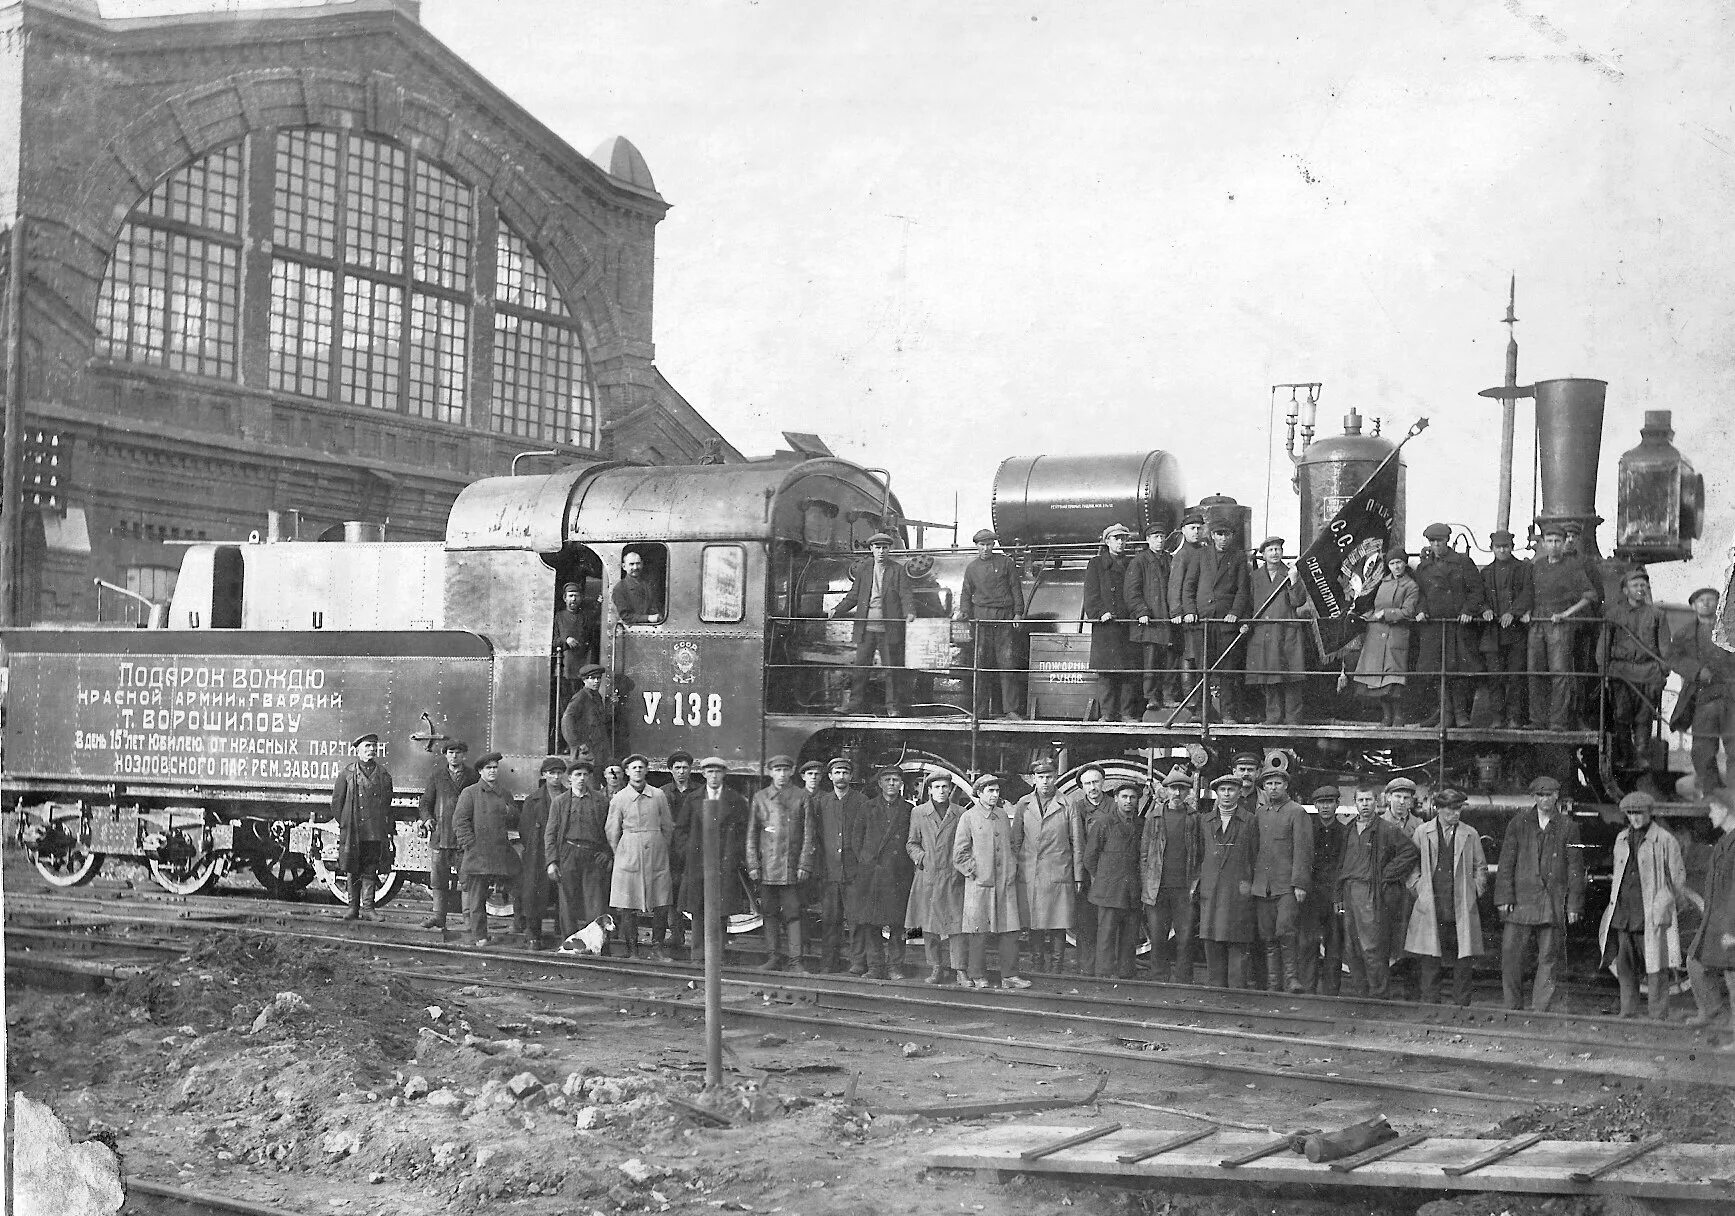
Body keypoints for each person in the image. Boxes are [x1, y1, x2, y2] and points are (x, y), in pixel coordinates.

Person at [1494, 775, 1586, 1011]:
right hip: (1520, 902)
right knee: (1511, 957)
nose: (1545, 800)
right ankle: (1513, 1007)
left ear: (1557, 796)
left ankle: (1540, 1010)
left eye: (1550, 795)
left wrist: (1574, 905)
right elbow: (1506, 863)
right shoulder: (1518, 823)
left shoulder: (1568, 827)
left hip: (1551, 902)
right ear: (1534, 797)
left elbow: (1576, 868)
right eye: (1541, 795)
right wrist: (1504, 898)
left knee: (1549, 959)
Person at [1597, 791, 1690, 1019]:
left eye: (1639, 813)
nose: (1635, 818)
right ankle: (1627, 1012)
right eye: (1630, 814)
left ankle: (1657, 1016)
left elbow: (1678, 878)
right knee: (1625, 966)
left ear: (1650, 813)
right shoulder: (1621, 839)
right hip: (1624, 913)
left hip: (1650, 913)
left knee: (1656, 967)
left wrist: (1665, 901)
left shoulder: (1665, 840)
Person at [1404, 788, 1487, 1006]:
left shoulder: (1470, 834)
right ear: (1439, 809)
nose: (1455, 814)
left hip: (1460, 904)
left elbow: (1481, 867)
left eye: (1458, 809)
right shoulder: (1423, 832)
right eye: (1450, 809)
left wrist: (1475, 891)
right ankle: (1430, 1004)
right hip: (1432, 903)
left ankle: (1461, 1004)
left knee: (1463, 958)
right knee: (1430, 958)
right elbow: (1411, 867)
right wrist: (1419, 889)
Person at [952, 773, 1030, 989]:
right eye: (991, 791)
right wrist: (974, 871)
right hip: (980, 885)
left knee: (1010, 930)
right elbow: (959, 853)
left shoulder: (1003, 816)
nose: (995, 795)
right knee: (978, 932)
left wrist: (1011, 866)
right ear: (979, 793)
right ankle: (977, 975)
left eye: (997, 791)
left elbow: (1012, 845)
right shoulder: (968, 817)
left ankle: (1009, 977)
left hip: (1005, 883)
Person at [830, 532, 917, 716]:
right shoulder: (864, 569)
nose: (881, 551)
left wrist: (910, 612)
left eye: (885, 548)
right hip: (866, 627)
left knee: (891, 669)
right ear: (871, 549)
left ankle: (892, 706)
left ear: (889, 549)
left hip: (888, 627)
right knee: (861, 667)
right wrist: (837, 609)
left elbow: (906, 594)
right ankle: (854, 704)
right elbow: (854, 595)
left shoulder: (897, 570)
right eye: (877, 548)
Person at [1411, 523, 1486, 729]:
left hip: (1458, 626)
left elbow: (1476, 591)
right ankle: (1445, 714)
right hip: (1435, 626)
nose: (1436, 545)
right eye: (1432, 542)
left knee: (1458, 670)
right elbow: (1421, 595)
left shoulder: (1463, 562)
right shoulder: (1423, 567)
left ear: (1447, 541)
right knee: (1437, 670)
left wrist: (1467, 611)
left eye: (1440, 541)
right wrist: (1422, 610)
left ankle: (1461, 715)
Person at [1527, 521, 1600, 731]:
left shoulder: (1573, 567)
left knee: (1559, 673)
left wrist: (1566, 614)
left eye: (1558, 541)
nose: (1554, 545)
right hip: (1537, 623)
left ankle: (1558, 721)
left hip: (1559, 624)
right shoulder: (1537, 566)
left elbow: (1590, 596)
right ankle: (1537, 720)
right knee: (1535, 671)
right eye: (1549, 541)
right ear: (1543, 543)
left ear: (1564, 542)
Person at [746, 755, 816, 971]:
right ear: (770, 772)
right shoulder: (760, 798)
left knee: (794, 914)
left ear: (792, 771)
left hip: (791, 868)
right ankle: (773, 957)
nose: (782, 774)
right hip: (767, 867)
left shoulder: (802, 796)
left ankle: (796, 960)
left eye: (786, 769)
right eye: (777, 769)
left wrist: (804, 864)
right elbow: (751, 834)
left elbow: (809, 834)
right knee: (769, 914)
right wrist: (753, 865)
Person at [848, 765, 918, 979]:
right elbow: (856, 840)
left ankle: (895, 967)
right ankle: (876, 967)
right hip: (873, 874)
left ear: (901, 784)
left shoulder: (908, 809)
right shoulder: (867, 808)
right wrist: (867, 862)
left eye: (895, 780)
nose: (891, 784)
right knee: (871, 924)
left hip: (898, 874)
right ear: (879, 783)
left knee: (898, 924)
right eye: (887, 780)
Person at [1179, 521, 1253, 723]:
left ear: (1231, 536)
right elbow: (1189, 586)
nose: (1223, 538)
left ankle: (1228, 714)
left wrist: (1235, 613)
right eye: (1219, 534)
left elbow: (1242, 590)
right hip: (1203, 622)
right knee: (1203, 669)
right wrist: (1190, 611)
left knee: (1227, 670)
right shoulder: (1200, 555)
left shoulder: (1238, 558)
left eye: (1226, 534)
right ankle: (1203, 712)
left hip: (1226, 622)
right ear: (1212, 535)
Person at [679, 757, 751, 966]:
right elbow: (681, 830)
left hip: (724, 864)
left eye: (717, 772)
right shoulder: (693, 799)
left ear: (724, 774)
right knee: (698, 908)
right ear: (703, 775)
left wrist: (733, 857)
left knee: (720, 910)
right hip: (698, 863)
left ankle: (716, 954)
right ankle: (698, 954)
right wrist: (689, 853)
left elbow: (743, 832)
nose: (713, 776)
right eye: (709, 772)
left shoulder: (735, 800)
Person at [1598, 568, 1669, 774]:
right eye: (1635, 585)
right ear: (1625, 590)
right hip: (1621, 672)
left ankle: (1640, 755)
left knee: (1644, 716)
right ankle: (1624, 755)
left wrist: (1663, 671)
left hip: (1648, 672)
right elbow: (1603, 645)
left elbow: (1665, 648)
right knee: (1621, 714)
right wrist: (1604, 671)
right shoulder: (1613, 615)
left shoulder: (1657, 615)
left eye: (1643, 585)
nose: (1640, 589)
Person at [1250, 765, 1314, 993]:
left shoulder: (1297, 812)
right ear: (1264, 787)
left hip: (1286, 885)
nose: (1273, 788)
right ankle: (1273, 983)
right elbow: (1254, 849)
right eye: (1268, 784)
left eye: (1277, 783)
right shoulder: (1260, 813)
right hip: (1262, 886)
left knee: (1286, 932)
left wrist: (1299, 884)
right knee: (1267, 937)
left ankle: (1291, 980)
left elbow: (1303, 850)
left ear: (1286, 785)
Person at [606, 753, 676, 961]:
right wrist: (622, 852)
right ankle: (632, 951)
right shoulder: (619, 798)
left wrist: (660, 846)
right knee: (628, 903)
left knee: (661, 901)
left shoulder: (658, 796)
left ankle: (657, 948)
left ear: (647, 771)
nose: (637, 770)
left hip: (656, 852)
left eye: (641, 767)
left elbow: (667, 826)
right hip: (629, 853)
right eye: (633, 767)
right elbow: (611, 831)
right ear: (626, 772)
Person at [1016, 758, 1083, 974]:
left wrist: (1078, 875)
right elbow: (1014, 841)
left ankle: (1056, 967)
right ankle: (1037, 964)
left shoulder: (1067, 804)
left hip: (1058, 872)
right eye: (1041, 777)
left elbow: (1077, 842)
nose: (1045, 781)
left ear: (1055, 778)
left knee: (1057, 921)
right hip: (1031, 872)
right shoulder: (1023, 804)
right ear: (1033, 779)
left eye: (1049, 777)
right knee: (1035, 922)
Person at [1668, 587, 1735, 799]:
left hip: (1732, 698)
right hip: (1703, 700)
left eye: (1711, 600)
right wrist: (1697, 671)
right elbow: (1674, 659)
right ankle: (1712, 792)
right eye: (1701, 600)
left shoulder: (1731, 631)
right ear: (1693, 605)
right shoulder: (1684, 634)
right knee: (1703, 750)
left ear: (1719, 604)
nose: (1706, 604)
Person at [543, 754, 613, 945]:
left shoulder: (600, 802)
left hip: (593, 855)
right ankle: (571, 943)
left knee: (595, 903)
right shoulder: (560, 802)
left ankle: (596, 945)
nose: (582, 778)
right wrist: (552, 862)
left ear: (590, 778)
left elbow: (610, 831)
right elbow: (550, 833)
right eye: (578, 774)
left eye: (585, 775)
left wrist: (607, 854)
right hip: (568, 853)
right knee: (568, 903)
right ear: (570, 778)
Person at [906, 772, 968, 984]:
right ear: (929, 790)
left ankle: (960, 969)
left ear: (950, 789)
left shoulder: (960, 813)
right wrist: (923, 858)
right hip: (929, 876)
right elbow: (911, 843)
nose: (941, 791)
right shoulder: (919, 812)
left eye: (945, 787)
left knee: (957, 926)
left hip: (953, 876)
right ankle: (936, 968)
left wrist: (961, 866)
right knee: (930, 927)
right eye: (937, 787)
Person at [958, 528, 1026, 720]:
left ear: (994, 544)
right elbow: (966, 593)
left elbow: (1016, 589)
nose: (985, 548)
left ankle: (1011, 710)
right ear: (977, 546)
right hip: (981, 620)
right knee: (981, 667)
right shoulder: (971, 568)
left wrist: (1018, 614)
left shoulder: (1006, 563)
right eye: (982, 545)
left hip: (1003, 619)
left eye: (988, 544)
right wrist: (964, 612)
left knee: (1007, 664)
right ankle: (979, 711)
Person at [1197, 772, 1257, 988]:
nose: (1226, 794)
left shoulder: (1250, 821)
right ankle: (1216, 992)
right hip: (1211, 891)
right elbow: (1199, 855)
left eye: (1231, 789)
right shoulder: (1205, 821)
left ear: (1240, 793)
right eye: (1222, 790)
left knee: (1238, 941)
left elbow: (1255, 855)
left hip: (1237, 891)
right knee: (1212, 940)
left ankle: (1237, 994)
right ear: (1216, 793)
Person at [1141, 767, 1200, 983]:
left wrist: (1195, 883)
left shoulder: (1194, 818)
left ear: (1187, 793)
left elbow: (1200, 853)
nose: (1177, 793)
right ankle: (1159, 978)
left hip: (1184, 889)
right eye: (1173, 789)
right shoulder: (1154, 817)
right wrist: (1146, 885)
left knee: (1185, 938)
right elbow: (1144, 854)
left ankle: (1184, 979)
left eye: (1182, 789)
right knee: (1158, 937)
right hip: (1158, 888)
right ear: (1165, 791)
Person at [1244, 538, 1312, 726]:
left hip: (1286, 632)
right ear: (1263, 555)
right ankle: (1273, 717)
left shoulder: (1290, 574)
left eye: (1278, 549)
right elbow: (1248, 603)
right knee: (1269, 677)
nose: (1275, 553)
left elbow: (1298, 601)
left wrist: (1294, 580)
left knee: (1291, 676)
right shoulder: (1255, 577)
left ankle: (1293, 718)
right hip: (1263, 632)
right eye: (1271, 550)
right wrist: (1246, 623)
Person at [453, 752, 518, 948]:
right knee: (477, 898)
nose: (492, 771)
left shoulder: (505, 794)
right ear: (481, 771)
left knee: (520, 887)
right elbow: (460, 821)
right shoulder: (470, 793)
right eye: (488, 768)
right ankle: (479, 936)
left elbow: (515, 819)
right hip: (478, 854)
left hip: (500, 852)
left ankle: (519, 927)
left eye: (495, 767)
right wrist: (471, 845)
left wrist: (510, 811)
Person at [1685, 793, 1735, 1049]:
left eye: (1714, 808)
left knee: (1732, 975)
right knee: (1695, 962)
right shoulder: (1725, 841)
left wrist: (1732, 931)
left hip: (1730, 924)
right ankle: (1713, 1012)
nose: (1710, 813)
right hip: (1716, 919)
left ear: (1727, 810)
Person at [811, 756, 868, 972]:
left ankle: (857, 962)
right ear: (830, 776)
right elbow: (815, 835)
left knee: (856, 921)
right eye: (837, 772)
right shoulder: (822, 802)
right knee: (830, 921)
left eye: (845, 772)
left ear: (851, 776)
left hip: (854, 871)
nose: (841, 776)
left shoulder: (861, 801)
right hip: (830, 872)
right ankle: (829, 963)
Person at [332, 732, 395, 922]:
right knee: (352, 868)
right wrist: (345, 824)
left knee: (370, 868)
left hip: (374, 831)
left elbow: (387, 803)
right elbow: (337, 803)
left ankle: (368, 908)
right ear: (358, 749)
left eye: (373, 746)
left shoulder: (383, 775)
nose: (371, 750)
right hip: (354, 831)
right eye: (367, 746)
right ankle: (353, 908)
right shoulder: (347, 774)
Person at [1084, 779, 1143, 979]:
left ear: (1137, 801)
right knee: (1106, 935)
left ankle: (1126, 974)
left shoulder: (1141, 825)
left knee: (1130, 936)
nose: (1128, 801)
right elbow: (1090, 857)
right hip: (1108, 891)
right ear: (1116, 799)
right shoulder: (1103, 824)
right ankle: (1103, 974)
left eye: (1133, 797)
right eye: (1124, 797)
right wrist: (1104, 878)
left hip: (1133, 890)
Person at [1354, 549, 1421, 726]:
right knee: (1378, 679)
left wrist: (1386, 613)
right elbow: (1374, 605)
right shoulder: (1382, 582)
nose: (1396, 566)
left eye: (1399, 562)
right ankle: (1386, 716)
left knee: (1394, 678)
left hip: (1396, 634)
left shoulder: (1411, 586)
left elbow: (1408, 612)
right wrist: (1368, 616)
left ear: (1405, 563)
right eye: (1392, 563)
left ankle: (1398, 716)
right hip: (1376, 635)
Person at [416, 740, 475, 931]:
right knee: (438, 880)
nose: (454, 756)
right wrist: (426, 819)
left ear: (464, 755)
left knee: (466, 881)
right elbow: (425, 803)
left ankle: (468, 922)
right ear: (445, 755)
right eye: (450, 752)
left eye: (458, 752)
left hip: (463, 838)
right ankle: (438, 917)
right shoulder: (436, 776)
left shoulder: (473, 776)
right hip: (441, 836)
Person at [1298, 784, 1350, 994]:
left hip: (1335, 897)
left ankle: (1331, 993)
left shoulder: (1345, 832)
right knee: (1307, 944)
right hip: (1311, 896)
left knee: (1334, 947)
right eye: (1321, 803)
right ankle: (1307, 990)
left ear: (1337, 805)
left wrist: (1339, 895)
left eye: (1330, 802)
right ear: (1315, 805)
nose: (1325, 807)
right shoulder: (1307, 830)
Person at [1478, 530, 1533, 727]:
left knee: (1516, 677)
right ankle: (1497, 717)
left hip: (1516, 632)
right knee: (1495, 678)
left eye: (1506, 546)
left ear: (1512, 547)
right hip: (1493, 633)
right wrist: (1484, 609)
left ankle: (1514, 717)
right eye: (1498, 547)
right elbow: (1478, 596)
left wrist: (1513, 612)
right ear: (1492, 548)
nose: (1502, 550)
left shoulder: (1523, 569)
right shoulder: (1485, 573)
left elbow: (1528, 593)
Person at [1084, 523, 1138, 721]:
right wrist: (1100, 612)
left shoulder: (1132, 563)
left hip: (1126, 623)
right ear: (1107, 542)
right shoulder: (1096, 564)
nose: (1120, 542)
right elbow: (1090, 594)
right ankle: (1107, 714)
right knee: (1107, 672)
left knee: (1127, 671)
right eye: (1116, 539)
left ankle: (1127, 713)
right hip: (1106, 625)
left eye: (1123, 538)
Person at [1125, 523, 1177, 714]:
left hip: (1167, 619)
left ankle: (1168, 696)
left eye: (1162, 536)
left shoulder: (1170, 559)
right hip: (1151, 621)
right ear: (1148, 540)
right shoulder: (1139, 561)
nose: (1160, 540)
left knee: (1169, 661)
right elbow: (1132, 591)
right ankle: (1152, 698)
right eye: (1155, 537)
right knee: (1151, 662)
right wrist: (1141, 611)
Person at [516, 757, 565, 949]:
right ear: (544, 775)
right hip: (538, 854)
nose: (555, 777)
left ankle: (562, 934)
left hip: (562, 852)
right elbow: (525, 829)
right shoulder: (533, 801)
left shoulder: (568, 796)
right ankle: (533, 935)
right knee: (534, 895)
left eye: (559, 773)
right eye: (551, 773)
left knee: (563, 896)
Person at [1068, 765, 1111, 974]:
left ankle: (1104, 968)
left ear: (1103, 782)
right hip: (1084, 874)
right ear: (1082, 787)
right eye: (1088, 783)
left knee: (1107, 923)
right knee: (1086, 922)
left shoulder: (1113, 805)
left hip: (1108, 874)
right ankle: (1086, 968)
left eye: (1096, 782)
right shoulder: (1075, 808)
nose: (1093, 787)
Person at [656, 751, 700, 954]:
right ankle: (676, 933)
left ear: (691, 769)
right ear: (670, 770)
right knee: (670, 892)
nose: (681, 772)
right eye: (677, 768)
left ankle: (698, 939)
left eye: (685, 768)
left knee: (691, 891)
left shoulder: (699, 792)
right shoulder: (662, 793)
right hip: (669, 849)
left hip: (692, 848)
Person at [1167, 509, 1209, 708]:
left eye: (1199, 528)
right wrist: (1177, 612)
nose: (1196, 532)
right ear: (1183, 530)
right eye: (1192, 528)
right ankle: (1190, 699)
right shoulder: (1182, 555)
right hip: (1187, 617)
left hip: (1201, 614)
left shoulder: (1204, 551)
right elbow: (1175, 585)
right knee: (1189, 655)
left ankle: (1201, 700)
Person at [553, 580, 601, 705]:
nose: (573, 599)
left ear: (581, 598)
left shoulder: (586, 617)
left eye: (576, 595)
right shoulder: (559, 617)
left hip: (583, 666)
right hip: (566, 668)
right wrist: (565, 640)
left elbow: (593, 638)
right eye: (570, 596)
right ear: (565, 598)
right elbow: (553, 640)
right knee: (566, 701)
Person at [560, 663, 613, 770]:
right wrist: (577, 744)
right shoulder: (580, 697)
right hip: (585, 752)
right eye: (592, 678)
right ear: (584, 680)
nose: (596, 681)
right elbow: (566, 720)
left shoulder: (595, 696)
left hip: (597, 749)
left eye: (598, 678)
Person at [611, 550, 664, 625]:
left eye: (638, 563)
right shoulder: (620, 588)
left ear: (642, 564)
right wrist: (648, 618)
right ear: (624, 566)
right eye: (631, 564)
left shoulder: (648, 584)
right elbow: (626, 616)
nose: (635, 567)